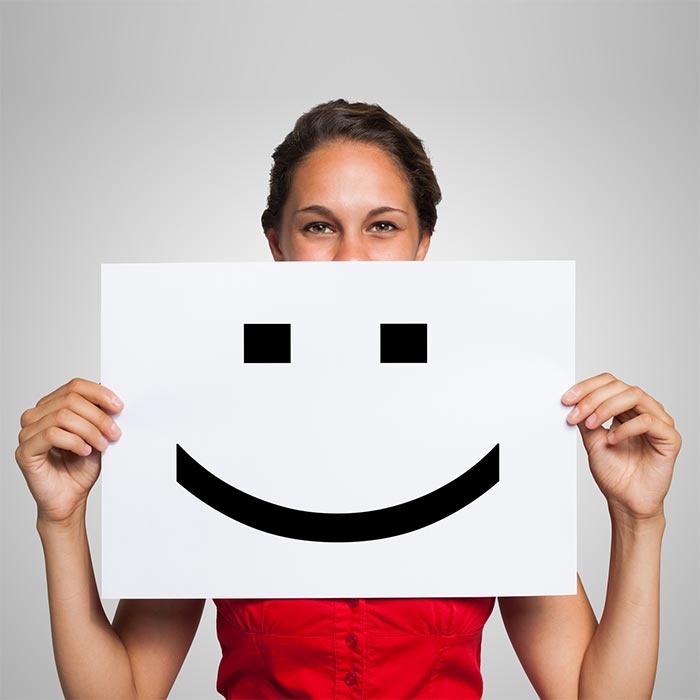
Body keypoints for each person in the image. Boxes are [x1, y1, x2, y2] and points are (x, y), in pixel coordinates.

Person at [15, 99, 682, 699]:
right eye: (320, 227)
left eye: (384, 227)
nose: (352, 261)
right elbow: (122, 693)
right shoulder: (208, 433)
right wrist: (62, 523)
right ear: (277, 244)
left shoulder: (490, 428)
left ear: (423, 245)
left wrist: (637, 518)